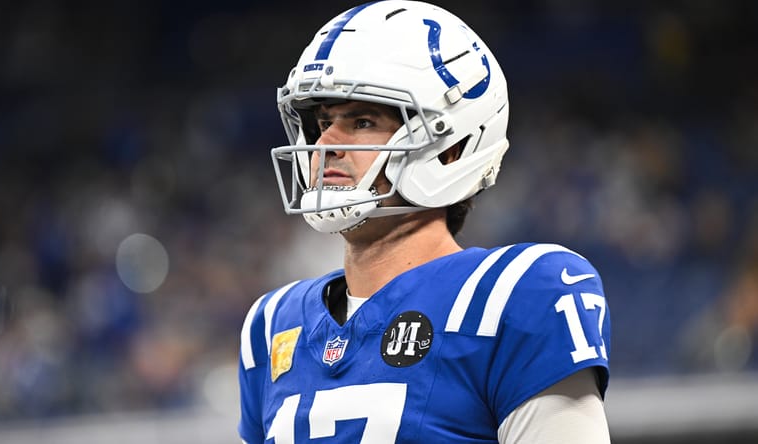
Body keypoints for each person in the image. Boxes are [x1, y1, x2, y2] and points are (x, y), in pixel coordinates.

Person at [238, 1, 611, 442]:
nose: (325, 144)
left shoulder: (514, 294)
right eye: (322, 122)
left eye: (362, 121)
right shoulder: (272, 324)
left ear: (450, 149)